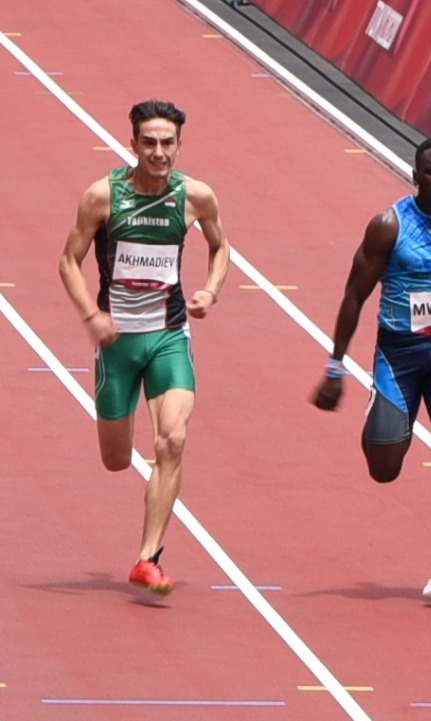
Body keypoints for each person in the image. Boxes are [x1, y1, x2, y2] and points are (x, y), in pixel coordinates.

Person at [313, 136, 431, 611]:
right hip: (399, 356)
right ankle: (387, 419)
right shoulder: (389, 226)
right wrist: (336, 366)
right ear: (415, 176)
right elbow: (355, 295)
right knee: (384, 468)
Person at [59, 99, 231, 595]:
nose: (159, 152)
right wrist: (93, 317)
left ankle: (147, 558)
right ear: (132, 143)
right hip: (117, 343)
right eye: (149, 142)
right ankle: (145, 550)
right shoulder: (102, 197)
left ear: (179, 145)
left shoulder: (196, 197)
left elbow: (221, 247)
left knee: (172, 441)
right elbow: (67, 261)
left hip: (169, 335)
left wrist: (211, 291)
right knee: (116, 460)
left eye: (168, 143)